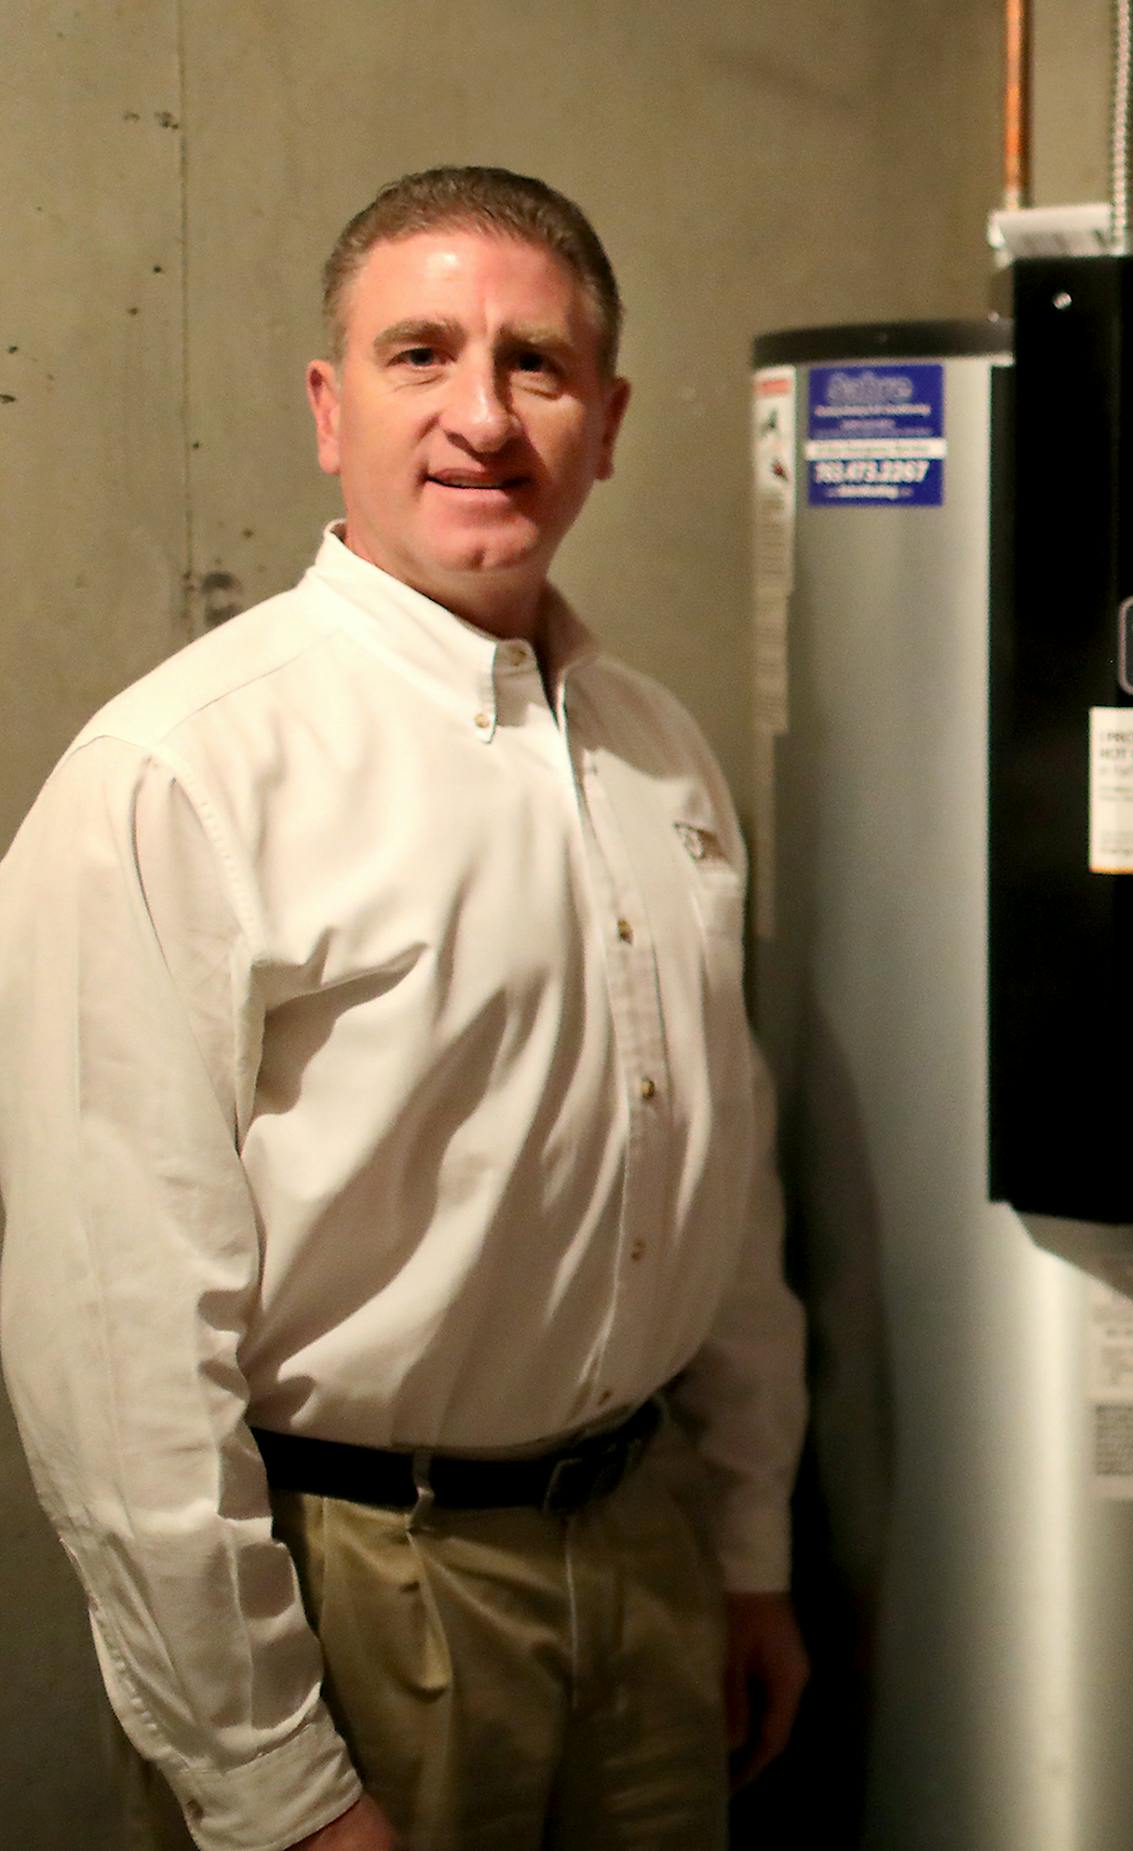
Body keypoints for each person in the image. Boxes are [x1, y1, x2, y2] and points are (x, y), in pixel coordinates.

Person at [0, 167, 808, 1851]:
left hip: (645, 1557)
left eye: (537, 366)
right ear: (327, 406)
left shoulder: (661, 752)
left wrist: (744, 1552)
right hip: (362, 1595)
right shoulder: (185, 774)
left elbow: (720, 1185)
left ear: (608, 419)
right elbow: (116, 1342)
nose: (481, 417)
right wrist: (267, 1780)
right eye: (420, 353)